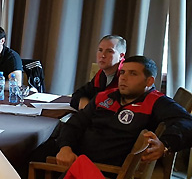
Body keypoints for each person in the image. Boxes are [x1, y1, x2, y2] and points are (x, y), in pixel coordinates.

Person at [32, 56, 192, 168]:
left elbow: (187, 124)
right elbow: (76, 123)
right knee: (34, 152)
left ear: (149, 81)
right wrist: (65, 147)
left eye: (133, 74)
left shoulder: (156, 101)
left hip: (101, 167)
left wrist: (165, 144)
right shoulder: (105, 96)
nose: (124, 78)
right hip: (77, 154)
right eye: (123, 72)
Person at [70, 35, 126, 110]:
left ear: (121, 56)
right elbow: (79, 93)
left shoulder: (125, 76)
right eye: (100, 50)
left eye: (109, 51)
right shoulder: (101, 74)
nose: (103, 55)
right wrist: (82, 101)